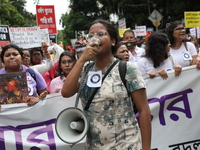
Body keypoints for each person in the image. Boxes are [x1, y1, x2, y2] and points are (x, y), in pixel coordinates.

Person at [62, 19, 151, 150]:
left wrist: (146, 148)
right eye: (90, 36)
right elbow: (66, 92)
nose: (95, 38)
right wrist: (81, 60)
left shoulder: (127, 69)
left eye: (100, 34)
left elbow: (143, 110)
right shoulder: (86, 68)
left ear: (113, 41)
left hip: (126, 145)